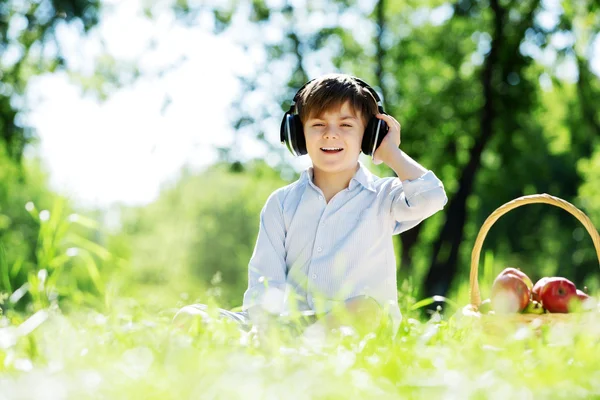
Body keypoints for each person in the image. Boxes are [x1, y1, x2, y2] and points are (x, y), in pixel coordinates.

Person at [174, 73, 447, 339]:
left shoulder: (384, 196)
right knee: (191, 316)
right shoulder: (281, 203)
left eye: (346, 125)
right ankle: (287, 352)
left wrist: (392, 154)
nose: (330, 135)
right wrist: (264, 329)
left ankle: (293, 356)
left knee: (367, 309)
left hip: (349, 324)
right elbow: (264, 281)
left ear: (368, 136)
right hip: (286, 327)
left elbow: (432, 198)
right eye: (318, 125)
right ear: (298, 133)